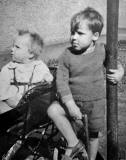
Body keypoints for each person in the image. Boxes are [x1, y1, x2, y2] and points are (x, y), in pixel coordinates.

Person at [47, 7, 124, 160]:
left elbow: (115, 63)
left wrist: (120, 72)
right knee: (53, 110)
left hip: (95, 105)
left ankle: (91, 158)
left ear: (95, 36)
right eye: (72, 32)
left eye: (80, 33)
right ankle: (73, 142)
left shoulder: (102, 51)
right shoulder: (66, 55)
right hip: (73, 103)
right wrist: (70, 105)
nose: (74, 37)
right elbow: (61, 81)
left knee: (93, 137)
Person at [0, 30, 53, 114]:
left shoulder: (39, 66)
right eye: (13, 46)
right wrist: (9, 100)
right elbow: (2, 91)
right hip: (11, 107)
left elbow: (49, 81)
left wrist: (47, 78)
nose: (12, 49)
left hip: (34, 107)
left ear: (31, 54)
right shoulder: (8, 69)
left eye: (17, 47)